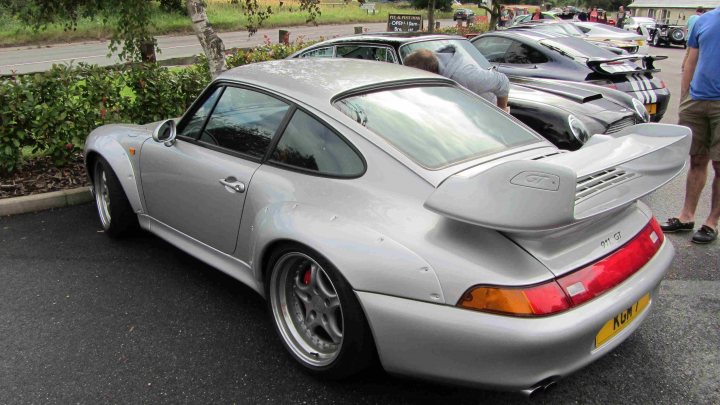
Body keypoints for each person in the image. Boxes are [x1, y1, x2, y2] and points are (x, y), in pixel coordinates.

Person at [661, 6, 720, 244]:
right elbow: (691, 60)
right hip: (696, 101)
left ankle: (712, 222)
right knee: (696, 160)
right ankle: (686, 216)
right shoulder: (704, 20)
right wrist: (686, 96)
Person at [404, 48, 510, 112]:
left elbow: (503, 82)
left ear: (430, 73)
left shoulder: (464, 76)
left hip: (489, 115)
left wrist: (502, 113)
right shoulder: (436, 65)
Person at [682, 8, 705, 72]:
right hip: (695, 39)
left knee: (687, 54)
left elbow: (684, 28)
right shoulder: (701, 19)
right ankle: (690, 70)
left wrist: (686, 35)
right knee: (694, 55)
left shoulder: (691, 17)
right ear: (702, 12)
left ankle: (683, 67)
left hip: (688, 38)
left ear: (696, 11)